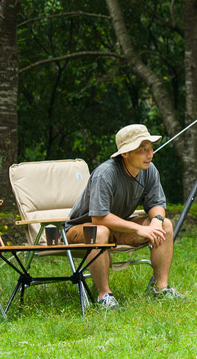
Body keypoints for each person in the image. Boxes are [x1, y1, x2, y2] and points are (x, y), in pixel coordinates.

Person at [65, 124, 183, 309]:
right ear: (125, 153)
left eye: (150, 149)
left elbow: (157, 204)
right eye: (142, 150)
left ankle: (161, 288)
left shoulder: (149, 170)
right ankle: (104, 296)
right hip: (82, 229)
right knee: (101, 231)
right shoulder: (105, 174)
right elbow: (98, 218)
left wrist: (156, 222)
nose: (150, 154)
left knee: (165, 224)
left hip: (118, 226)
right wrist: (139, 228)